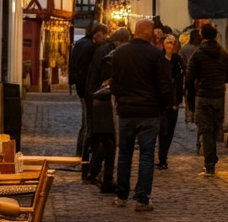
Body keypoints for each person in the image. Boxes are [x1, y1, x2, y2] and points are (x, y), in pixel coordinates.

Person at [109, 17, 174, 211]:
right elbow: (164, 84)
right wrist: (164, 105)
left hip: (127, 110)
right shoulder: (156, 55)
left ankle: (121, 195)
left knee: (124, 154)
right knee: (146, 155)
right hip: (149, 111)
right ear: (149, 33)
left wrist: (121, 99)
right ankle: (142, 198)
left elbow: (114, 82)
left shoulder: (120, 53)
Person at [83, 28, 129, 193]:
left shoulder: (104, 49)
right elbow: (108, 78)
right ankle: (104, 178)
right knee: (108, 141)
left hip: (96, 96)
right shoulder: (111, 53)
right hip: (102, 98)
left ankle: (94, 173)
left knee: (104, 140)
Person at [184, 23, 228, 176]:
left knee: (206, 130)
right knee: (215, 129)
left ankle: (209, 164)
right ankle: (212, 156)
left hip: (204, 95)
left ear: (202, 35)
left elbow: (189, 78)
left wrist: (190, 97)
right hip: (218, 95)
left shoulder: (198, 54)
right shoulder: (223, 53)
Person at [70, 23, 108, 161]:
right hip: (86, 90)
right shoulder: (90, 48)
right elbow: (85, 71)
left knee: (87, 122)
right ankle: (82, 154)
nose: (104, 38)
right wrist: (89, 90)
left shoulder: (83, 44)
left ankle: (82, 152)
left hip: (83, 89)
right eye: (103, 35)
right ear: (97, 34)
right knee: (87, 123)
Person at [157, 33, 185, 170]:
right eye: (169, 42)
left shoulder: (178, 61)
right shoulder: (159, 59)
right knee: (163, 129)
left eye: (174, 43)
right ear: (163, 44)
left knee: (170, 130)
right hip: (161, 100)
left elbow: (183, 78)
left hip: (174, 100)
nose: (171, 45)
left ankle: (164, 156)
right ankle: (162, 158)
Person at [179, 28, 202, 127]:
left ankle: (189, 117)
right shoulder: (199, 49)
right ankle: (196, 117)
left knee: (189, 96)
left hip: (187, 76)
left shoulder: (184, 49)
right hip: (199, 79)